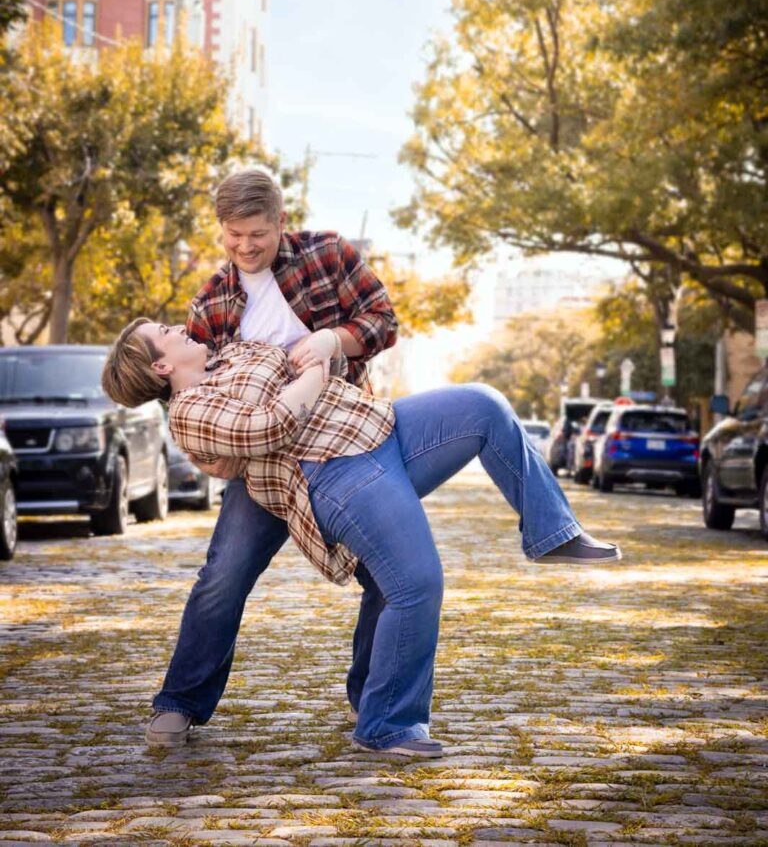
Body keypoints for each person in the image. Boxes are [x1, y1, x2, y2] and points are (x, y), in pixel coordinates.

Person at [102, 320, 621, 758]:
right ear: (161, 367)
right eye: (165, 332)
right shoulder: (190, 412)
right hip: (332, 470)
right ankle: (387, 724)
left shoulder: (233, 352)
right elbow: (272, 426)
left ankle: (552, 534)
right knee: (415, 583)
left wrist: (313, 363)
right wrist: (308, 375)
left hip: (383, 424)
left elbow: (294, 373)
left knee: (484, 404)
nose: (180, 327)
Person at [137, 169, 401, 748]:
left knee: (390, 572)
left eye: (257, 233)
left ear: (281, 221)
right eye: (233, 235)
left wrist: (333, 340)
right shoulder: (210, 302)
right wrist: (208, 457)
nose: (245, 246)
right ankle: (180, 701)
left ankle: (371, 699)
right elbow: (185, 394)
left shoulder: (327, 254)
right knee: (223, 575)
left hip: (342, 449)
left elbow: (383, 322)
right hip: (263, 466)